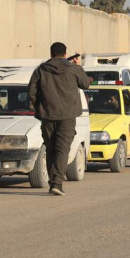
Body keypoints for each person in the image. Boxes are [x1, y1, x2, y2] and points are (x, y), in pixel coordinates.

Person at [28, 42, 90, 196]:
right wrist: (79, 66)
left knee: (51, 149)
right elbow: (86, 84)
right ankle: (57, 183)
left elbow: (31, 92)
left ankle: (53, 181)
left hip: (47, 116)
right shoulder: (74, 69)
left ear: (51, 53)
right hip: (67, 117)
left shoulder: (41, 70)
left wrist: (40, 108)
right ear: (65, 54)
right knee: (62, 150)